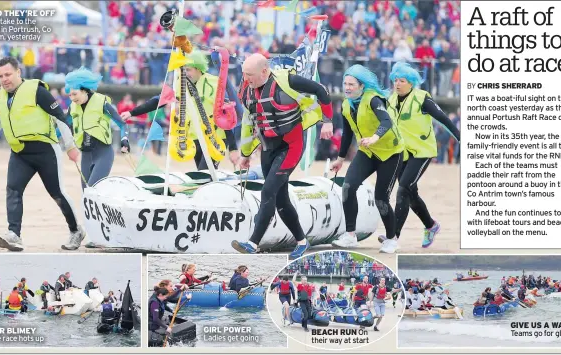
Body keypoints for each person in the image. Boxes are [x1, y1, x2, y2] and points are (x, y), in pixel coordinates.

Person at [0, 56, 84, 251]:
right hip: (19, 152)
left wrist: (70, 147)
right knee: (13, 189)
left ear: (18, 72)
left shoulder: (37, 91)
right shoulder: (1, 95)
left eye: (8, 74)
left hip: (45, 151)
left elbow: (60, 118)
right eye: (0, 76)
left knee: (57, 193)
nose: (4, 79)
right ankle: (14, 235)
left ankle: (76, 231)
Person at [231, 53, 334, 259]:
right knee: (280, 200)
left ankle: (253, 243)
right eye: (244, 74)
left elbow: (321, 91)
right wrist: (245, 153)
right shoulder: (246, 89)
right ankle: (302, 242)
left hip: (291, 146)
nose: (246, 79)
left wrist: (328, 120)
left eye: (250, 75)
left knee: (268, 190)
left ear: (264, 71)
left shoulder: (287, 81)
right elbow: (249, 122)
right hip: (267, 148)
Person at [121, 50, 242, 169]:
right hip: (195, 138)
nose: (185, 74)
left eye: (188, 70)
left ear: (198, 68)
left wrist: (233, 148)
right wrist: (131, 112)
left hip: (216, 138)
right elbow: (158, 101)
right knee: (202, 176)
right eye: (183, 71)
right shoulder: (180, 84)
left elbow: (226, 116)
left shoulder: (214, 83)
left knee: (205, 175)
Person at [386, 62, 461, 252]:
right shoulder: (391, 100)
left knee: (403, 188)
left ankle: (393, 236)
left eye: (402, 80)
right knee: (411, 194)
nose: (398, 83)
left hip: (422, 151)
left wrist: (461, 138)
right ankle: (431, 225)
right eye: (395, 80)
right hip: (402, 153)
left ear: (411, 83)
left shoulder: (422, 99)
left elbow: (444, 119)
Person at [330, 65, 404, 250]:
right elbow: (347, 134)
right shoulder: (346, 104)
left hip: (390, 153)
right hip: (367, 152)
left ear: (362, 86)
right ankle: (350, 235)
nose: (347, 87)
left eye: (352, 84)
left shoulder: (373, 100)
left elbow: (386, 121)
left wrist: (374, 137)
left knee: (381, 197)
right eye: (345, 83)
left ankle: (391, 239)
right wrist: (340, 159)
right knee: (348, 187)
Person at [63, 67, 130, 189]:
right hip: (86, 156)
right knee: (86, 196)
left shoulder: (101, 102)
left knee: (92, 191)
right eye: (70, 95)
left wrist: (124, 139)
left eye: (75, 94)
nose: (72, 98)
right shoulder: (72, 107)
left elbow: (122, 124)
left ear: (84, 91)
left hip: (103, 154)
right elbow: (62, 127)